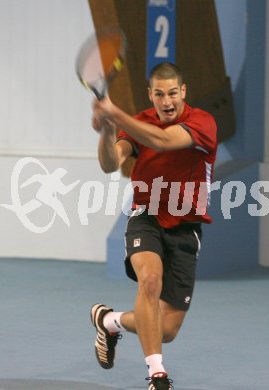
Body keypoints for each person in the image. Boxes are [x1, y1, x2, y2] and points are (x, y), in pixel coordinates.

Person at [90, 62, 217, 390]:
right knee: (149, 281)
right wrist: (106, 129)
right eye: (159, 94)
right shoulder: (139, 123)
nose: (167, 101)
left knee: (166, 330)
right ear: (150, 95)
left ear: (183, 92)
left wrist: (115, 114)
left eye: (173, 93)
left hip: (185, 226)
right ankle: (157, 374)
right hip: (145, 216)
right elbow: (109, 163)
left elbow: (161, 140)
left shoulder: (203, 122)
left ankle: (109, 321)